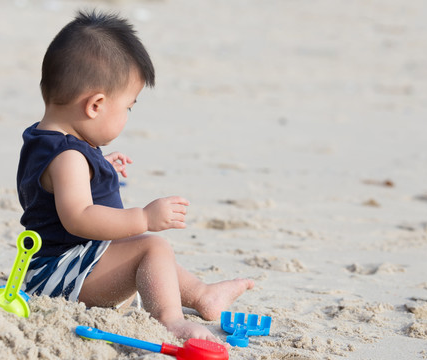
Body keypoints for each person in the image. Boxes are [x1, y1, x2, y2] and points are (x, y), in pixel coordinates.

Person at [17, 9, 254, 341]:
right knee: (151, 247)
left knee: (138, 245)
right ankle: (170, 320)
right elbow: (80, 218)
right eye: (128, 106)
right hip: (59, 278)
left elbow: (62, 190)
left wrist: (99, 170)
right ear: (95, 105)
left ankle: (201, 294)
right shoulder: (69, 157)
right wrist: (143, 217)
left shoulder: (53, 143)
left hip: (67, 267)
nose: (128, 114)